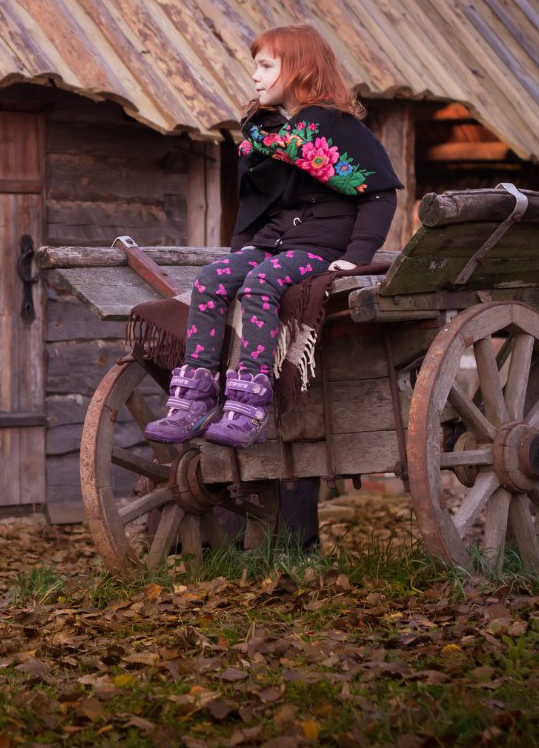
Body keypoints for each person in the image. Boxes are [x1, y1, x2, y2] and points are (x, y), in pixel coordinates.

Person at [145, 24, 403, 448]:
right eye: (256, 66)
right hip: (276, 241)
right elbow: (261, 199)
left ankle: (249, 404)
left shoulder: (340, 129)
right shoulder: (274, 135)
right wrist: (245, 246)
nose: (255, 76)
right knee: (211, 279)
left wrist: (356, 257)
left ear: (299, 69)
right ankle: (195, 398)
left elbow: (379, 193)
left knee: (259, 283)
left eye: (266, 66)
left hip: (322, 247)